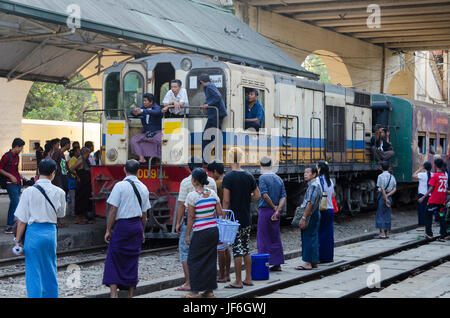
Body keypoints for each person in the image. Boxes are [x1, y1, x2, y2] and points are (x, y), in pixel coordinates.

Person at [14, 159, 66, 298]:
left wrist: (18, 240)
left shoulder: (28, 192)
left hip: (33, 234)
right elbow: (61, 214)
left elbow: (21, 221)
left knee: (33, 272)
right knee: (50, 269)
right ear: (53, 173)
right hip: (50, 233)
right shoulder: (60, 192)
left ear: (37, 171)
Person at [102, 160, 150, 298]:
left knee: (113, 258)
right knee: (132, 260)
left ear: (124, 170)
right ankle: (130, 295)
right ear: (139, 171)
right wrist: (142, 231)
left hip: (122, 226)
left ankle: (113, 294)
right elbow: (144, 213)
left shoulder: (120, 186)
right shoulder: (144, 187)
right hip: (136, 226)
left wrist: (108, 229)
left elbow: (113, 210)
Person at [174, 156, 216, 292]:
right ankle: (208, 288)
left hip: (193, 225)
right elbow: (218, 208)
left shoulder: (186, 183)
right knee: (207, 254)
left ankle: (189, 282)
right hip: (210, 224)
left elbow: (182, 205)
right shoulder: (212, 183)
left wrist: (178, 223)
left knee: (186, 252)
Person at [222, 147, 260, 289]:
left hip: (234, 219)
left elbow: (226, 201)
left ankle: (238, 281)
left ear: (230, 159)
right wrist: (246, 198)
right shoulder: (249, 176)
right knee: (246, 248)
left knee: (237, 249)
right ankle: (248, 278)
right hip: (246, 217)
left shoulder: (228, 177)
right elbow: (257, 195)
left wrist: (223, 218)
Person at [183, 168, 223, 298]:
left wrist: (188, 235)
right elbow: (220, 213)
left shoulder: (192, 196)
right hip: (213, 231)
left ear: (194, 180)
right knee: (210, 260)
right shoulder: (212, 193)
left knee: (193, 260)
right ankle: (209, 291)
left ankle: (195, 291)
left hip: (200, 232)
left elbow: (191, 217)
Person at [257, 156, 286, 271]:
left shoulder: (262, 178)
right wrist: (278, 210)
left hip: (266, 210)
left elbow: (264, 194)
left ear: (261, 165)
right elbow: (283, 196)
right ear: (271, 166)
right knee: (275, 236)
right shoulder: (279, 178)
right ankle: (277, 263)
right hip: (275, 212)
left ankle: (265, 263)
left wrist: (273, 207)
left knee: (263, 237)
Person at [207, 160, 231, 282]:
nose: (211, 175)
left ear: (215, 171)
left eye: (212, 172)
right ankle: (227, 274)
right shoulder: (227, 180)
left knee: (220, 248)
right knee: (227, 247)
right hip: (228, 216)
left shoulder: (217, 184)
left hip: (220, 217)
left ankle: (221, 275)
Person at [296, 166, 322, 270]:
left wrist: (303, 217)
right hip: (315, 213)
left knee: (307, 237)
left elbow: (310, 203)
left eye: (307, 172)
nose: (305, 174)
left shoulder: (313, 186)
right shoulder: (315, 184)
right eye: (304, 172)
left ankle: (307, 262)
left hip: (310, 214)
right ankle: (313, 261)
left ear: (314, 174)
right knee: (313, 236)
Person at [419, 158, 449, 241]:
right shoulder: (444, 176)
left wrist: (423, 197)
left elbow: (431, 188)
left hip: (433, 201)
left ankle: (429, 234)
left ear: (435, 165)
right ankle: (442, 235)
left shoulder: (434, 176)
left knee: (428, 216)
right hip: (442, 202)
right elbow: (444, 189)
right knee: (441, 217)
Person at [199, 74, 227, 163]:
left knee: (206, 136)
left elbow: (218, 96)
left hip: (215, 115)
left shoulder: (208, 86)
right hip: (216, 115)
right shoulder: (210, 85)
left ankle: (205, 159)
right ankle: (215, 158)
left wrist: (208, 104)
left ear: (201, 82)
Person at [0, 138, 25, 234]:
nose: (21, 150)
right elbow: (0, 169)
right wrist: (10, 176)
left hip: (17, 183)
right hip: (10, 183)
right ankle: (9, 226)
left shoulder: (17, 157)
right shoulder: (6, 156)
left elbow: (15, 170)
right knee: (15, 204)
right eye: (21, 148)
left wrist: (21, 178)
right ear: (16, 146)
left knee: (14, 204)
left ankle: (11, 225)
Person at [130, 93, 163, 163]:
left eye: (145, 101)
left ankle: (160, 159)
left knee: (161, 141)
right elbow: (132, 112)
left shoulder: (157, 107)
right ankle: (142, 158)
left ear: (151, 102)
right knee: (133, 140)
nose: (143, 102)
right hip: (146, 132)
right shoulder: (143, 108)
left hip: (157, 132)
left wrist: (142, 111)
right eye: (143, 101)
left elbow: (157, 112)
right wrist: (134, 112)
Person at [317, 161, 336, 263]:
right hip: (330, 209)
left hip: (321, 210)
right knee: (328, 234)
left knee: (319, 233)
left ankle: (319, 257)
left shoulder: (317, 181)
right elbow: (333, 195)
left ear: (319, 169)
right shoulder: (330, 182)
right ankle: (328, 257)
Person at [69, 147, 92, 225]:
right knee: (80, 200)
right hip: (81, 183)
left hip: (86, 184)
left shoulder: (86, 161)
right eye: (88, 153)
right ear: (85, 153)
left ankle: (83, 218)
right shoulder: (81, 160)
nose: (89, 154)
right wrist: (77, 176)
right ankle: (79, 218)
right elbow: (71, 168)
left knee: (85, 200)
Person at [376, 161, 397, 239]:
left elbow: (382, 188)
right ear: (388, 168)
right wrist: (388, 196)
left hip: (382, 196)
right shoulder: (392, 177)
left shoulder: (380, 176)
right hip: (389, 196)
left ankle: (382, 233)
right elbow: (395, 188)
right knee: (388, 214)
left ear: (381, 167)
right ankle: (387, 233)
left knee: (380, 214)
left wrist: (385, 197)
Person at [413, 162, 433, 232]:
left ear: (424, 167)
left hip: (422, 195)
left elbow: (413, 175)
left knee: (421, 210)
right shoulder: (432, 174)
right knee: (428, 210)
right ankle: (428, 225)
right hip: (430, 195)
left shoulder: (421, 174)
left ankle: (422, 226)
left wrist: (420, 169)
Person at [67, 147, 81, 217]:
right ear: (75, 152)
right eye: (79, 151)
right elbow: (70, 169)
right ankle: (72, 213)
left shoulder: (73, 159)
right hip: (72, 180)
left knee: (71, 197)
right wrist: (77, 176)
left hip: (71, 179)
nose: (80, 152)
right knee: (73, 197)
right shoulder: (74, 159)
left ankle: (70, 212)